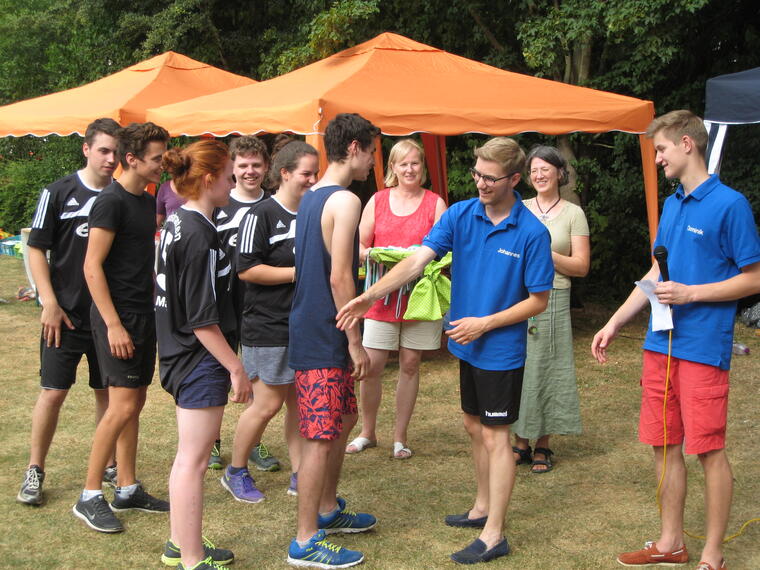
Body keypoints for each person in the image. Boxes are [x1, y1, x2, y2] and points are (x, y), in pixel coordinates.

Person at [337, 136, 554, 565]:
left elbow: (539, 300)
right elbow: (419, 259)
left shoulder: (532, 232)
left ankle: (495, 535)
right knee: (474, 427)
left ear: (514, 179)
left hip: (500, 350)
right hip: (467, 346)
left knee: (496, 437)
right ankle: (481, 507)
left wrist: (485, 323)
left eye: (490, 178)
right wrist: (370, 296)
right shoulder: (460, 214)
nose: (480, 184)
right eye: (477, 173)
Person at [591, 110, 760, 570]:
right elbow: (654, 273)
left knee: (707, 448)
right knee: (662, 445)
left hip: (704, 346)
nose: (658, 158)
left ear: (688, 144)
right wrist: (616, 321)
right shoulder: (672, 205)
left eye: (661, 149)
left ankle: (712, 553)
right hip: (659, 344)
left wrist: (692, 294)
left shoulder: (730, 204)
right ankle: (670, 544)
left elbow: (753, 278)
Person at [286, 113, 380, 568]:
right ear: (357, 147)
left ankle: (326, 511)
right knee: (321, 437)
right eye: (373, 152)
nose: (373, 163)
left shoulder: (311, 197)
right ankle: (305, 541)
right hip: (324, 333)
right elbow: (341, 276)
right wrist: (355, 340)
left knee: (340, 421)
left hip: (316, 328)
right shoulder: (344, 200)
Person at [156, 140, 252, 570]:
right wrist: (236, 368)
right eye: (230, 176)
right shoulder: (195, 234)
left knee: (187, 457)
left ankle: (180, 543)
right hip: (198, 357)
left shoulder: (180, 222)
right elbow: (201, 318)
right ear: (210, 180)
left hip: (183, 353)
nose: (234, 183)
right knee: (193, 461)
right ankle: (192, 559)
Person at [17, 118, 121, 506]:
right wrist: (49, 302)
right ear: (87, 149)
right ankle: (35, 469)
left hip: (108, 318)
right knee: (53, 392)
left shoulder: (124, 195)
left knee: (107, 394)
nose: (110, 159)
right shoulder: (59, 192)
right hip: (64, 315)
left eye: (115, 152)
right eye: (103, 151)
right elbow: (35, 248)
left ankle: (109, 464)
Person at [73, 121, 171, 533]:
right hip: (117, 318)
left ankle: (127, 487)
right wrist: (113, 324)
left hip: (142, 312)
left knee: (136, 402)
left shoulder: (146, 201)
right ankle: (90, 495)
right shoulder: (110, 202)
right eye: (156, 159)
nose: (162, 166)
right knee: (122, 406)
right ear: (131, 159)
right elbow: (91, 266)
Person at [221, 139, 318, 503]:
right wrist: (299, 273)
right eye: (306, 174)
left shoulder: (313, 212)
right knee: (266, 404)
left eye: (315, 174)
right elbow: (246, 270)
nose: (311, 181)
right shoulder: (260, 214)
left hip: (303, 322)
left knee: (297, 401)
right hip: (266, 324)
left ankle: (298, 472)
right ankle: (236, 471)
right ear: (285, 174)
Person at [345, 138, 447, 459]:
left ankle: (400, 437)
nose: (410, 169)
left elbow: (445, 251)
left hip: (420, 296)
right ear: (392, 168)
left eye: (415, 163)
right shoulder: (377, 200)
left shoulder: (435, 203)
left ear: (423, 167)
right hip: (381, 296)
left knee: (411, 363)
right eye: (403, 164)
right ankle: (367, 432)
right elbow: (359, 247)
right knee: (372, 366)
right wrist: (375, 254)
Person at [512, 145, 590, 473]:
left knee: (548, 369)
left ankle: (542, 444)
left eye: (546, 169)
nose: (540, 175)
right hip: (517, 299)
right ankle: (519, 441)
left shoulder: (574, 214)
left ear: (560, 172)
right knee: (519, 368)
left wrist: (546, 253)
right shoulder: (518, 208)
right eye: (534, 170)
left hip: (554, 298)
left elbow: (581, 266)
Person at [210, 135, 280, 472]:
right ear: (232, 169)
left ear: (267, 168)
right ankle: (212, 439)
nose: (250, 171)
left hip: (263, 307)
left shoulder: (276, 205)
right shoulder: (219, 205)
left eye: (256, 165)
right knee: (220, 371)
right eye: (243, 166)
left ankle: (254, 441)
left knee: (258, 380)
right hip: (223, 303)